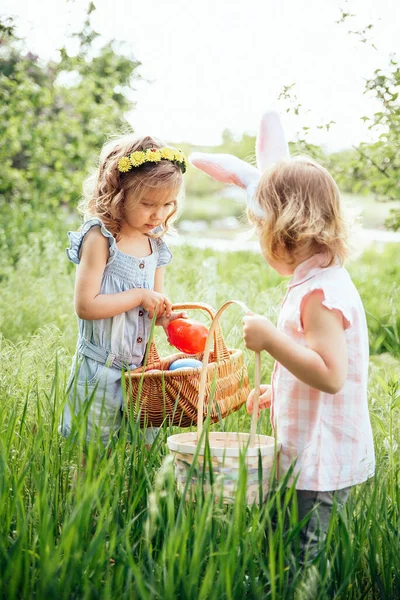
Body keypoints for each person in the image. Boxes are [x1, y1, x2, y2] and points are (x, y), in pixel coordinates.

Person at [242, 157, 375, 564]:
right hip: (305, 453)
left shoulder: (319, 295)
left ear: (284, 230)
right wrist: (278, 387)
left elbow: (332, 376)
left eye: (261, 229)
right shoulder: (319, 281)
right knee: (278, 542)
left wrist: (269, 340)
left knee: (301, 556)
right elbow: (313, 361)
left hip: (320, 457)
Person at [59, 134, 187, 448]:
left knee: (139, 453)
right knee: (92, 456)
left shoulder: (156, 244)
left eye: (167, 204)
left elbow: (149, 310)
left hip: (141, 375)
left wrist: (166, 318)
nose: (158, 215)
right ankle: (86, 499)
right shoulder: (101, 238)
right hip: (99, 372)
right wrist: (140, 297)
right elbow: (86, 306)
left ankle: (132, 498)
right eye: (148, 204)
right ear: (119, 194)